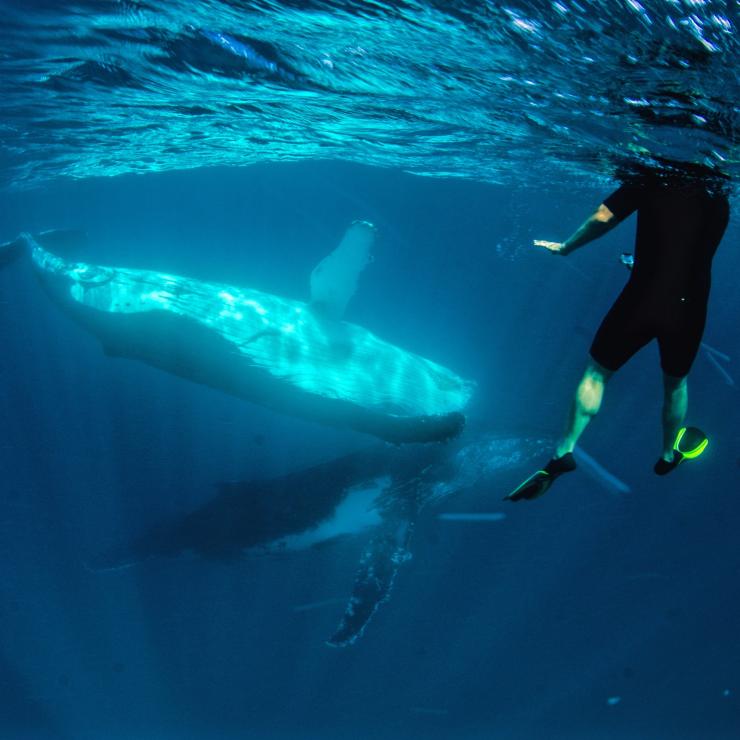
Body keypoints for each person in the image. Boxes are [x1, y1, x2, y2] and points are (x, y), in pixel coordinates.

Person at [507, 163, 730, 502]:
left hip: (640, 300)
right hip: (688, 308)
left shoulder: (651, 177)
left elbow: (602, 217)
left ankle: (562, 453)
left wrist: (566, 246)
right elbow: (684, 245)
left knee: (596, 375)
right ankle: (668, 455)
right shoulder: (720, 193)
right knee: (675, 385)